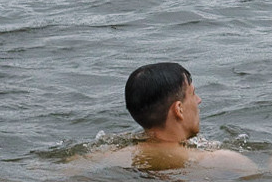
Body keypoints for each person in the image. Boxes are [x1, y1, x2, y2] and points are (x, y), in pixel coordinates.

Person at [91, 62, 254, 171]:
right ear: (179, 109)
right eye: (193, 94)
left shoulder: (105, 156)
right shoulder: (222, 160)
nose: (199, 100)